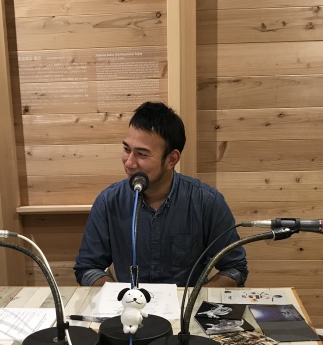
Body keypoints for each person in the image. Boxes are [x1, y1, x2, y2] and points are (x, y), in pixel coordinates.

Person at [74, 101, 248, 287]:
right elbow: (88, 267)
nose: (129, 163)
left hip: (186, 303)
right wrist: (120, 296)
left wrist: (195, 298)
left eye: (142, 154)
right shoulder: (109, 201)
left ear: (171, 159)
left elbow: (234, 268)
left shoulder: (207, 202)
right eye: (127, 150)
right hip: (128, 303)